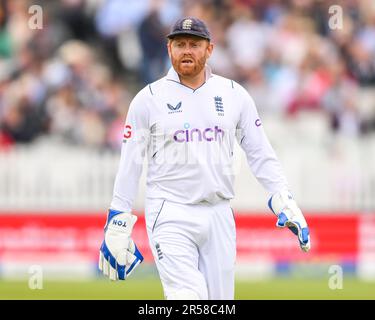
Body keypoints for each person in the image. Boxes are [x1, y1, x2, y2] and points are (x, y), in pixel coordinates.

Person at [98, 17, 311, 300]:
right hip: (170, 211)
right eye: (180, 44)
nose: (187, 50)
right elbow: (130, 164)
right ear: (169, 48)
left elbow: (260, 152)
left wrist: (282, 197)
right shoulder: (148, 99)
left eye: (194, 45)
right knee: (189, 297)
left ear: (209, 49)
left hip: (219, 212)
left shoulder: (234, 95)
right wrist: (118, 219)